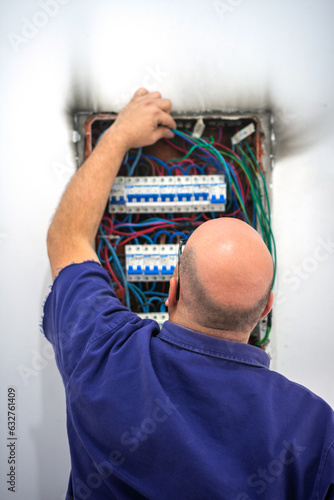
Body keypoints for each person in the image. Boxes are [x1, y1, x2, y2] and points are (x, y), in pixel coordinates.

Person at [43, 88, 334, 500]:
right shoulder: (314, 428)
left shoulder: (103, 356)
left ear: (172, 287)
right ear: (266, 308)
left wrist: (120, 135)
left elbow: (67, 239)